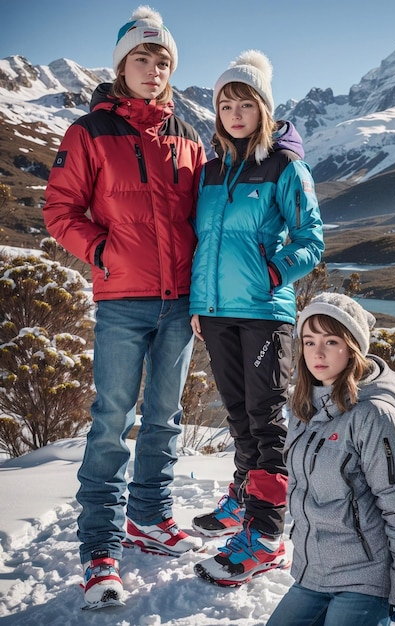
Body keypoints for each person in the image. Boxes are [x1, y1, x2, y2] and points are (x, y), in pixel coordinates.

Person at [43, 6, 207, 609]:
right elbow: (60, 210)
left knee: (164, 420)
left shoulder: (186, 141)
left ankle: (149, 518)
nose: (154, 69)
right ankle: (100, 549)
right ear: (122, 66)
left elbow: (203, 219)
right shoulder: (89, 133)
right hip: (122, 301)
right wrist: (102, 250)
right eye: (143, 58)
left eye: (163, 60)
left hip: (178, 304)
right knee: (112, 422)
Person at [189, 49, 324, 587]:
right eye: (225, 103)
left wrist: (273, 274)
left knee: (266, 420)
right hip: (218, 313)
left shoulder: (285, 165)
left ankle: (266, 533)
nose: (234, 112)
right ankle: (246, 496)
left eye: (245, 102)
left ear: (263, 108)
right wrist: (202, 303)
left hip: (265, 313)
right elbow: (205, 242)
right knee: (239, 413)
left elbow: (311, 241)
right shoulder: (211, 169)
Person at [266, 292, 395, 626]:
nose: (317, 352)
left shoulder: (373, 416)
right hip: (312, 575)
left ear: (353, 347)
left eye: (331, 341)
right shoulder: (304, 409)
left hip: (365, 579)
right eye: (308, 341)